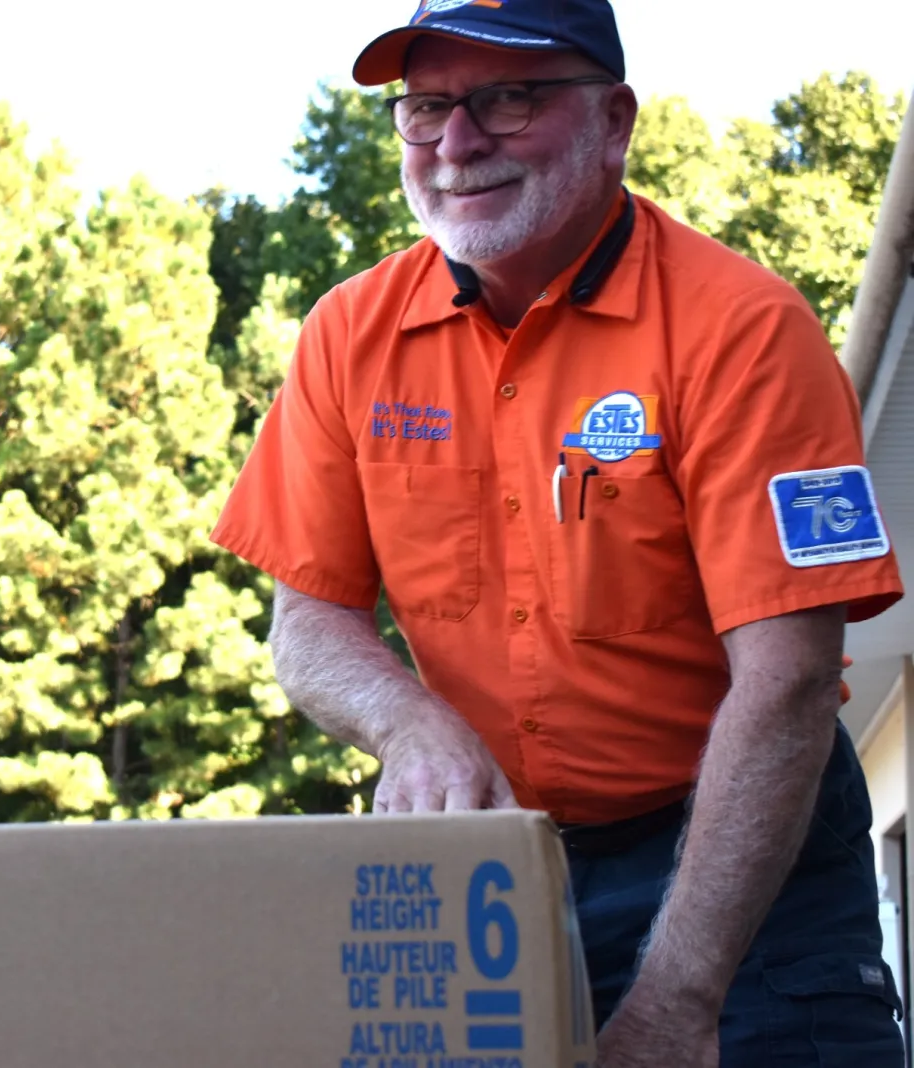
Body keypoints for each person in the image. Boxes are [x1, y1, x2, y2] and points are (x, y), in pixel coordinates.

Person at [209, 1, 907, 1063]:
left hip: (746, 863)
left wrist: (676, 1001)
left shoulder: (742, 329)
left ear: (614, 122)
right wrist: (407, 723)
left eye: (508, 98)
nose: (455, 141)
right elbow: (308, 625)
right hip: (488, 866)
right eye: (429, 106)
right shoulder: (348, 336)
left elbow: (789, 683)